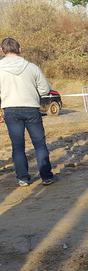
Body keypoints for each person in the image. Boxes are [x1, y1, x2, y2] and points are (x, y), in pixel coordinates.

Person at [0, 37, 54, 186]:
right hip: (31, 108)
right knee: (39, 144)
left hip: (10, 109)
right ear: (20, 49)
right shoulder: (32, 67)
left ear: (2, 50)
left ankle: (23, 178)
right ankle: (46, 176)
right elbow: (45, 89)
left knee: (18, 146)